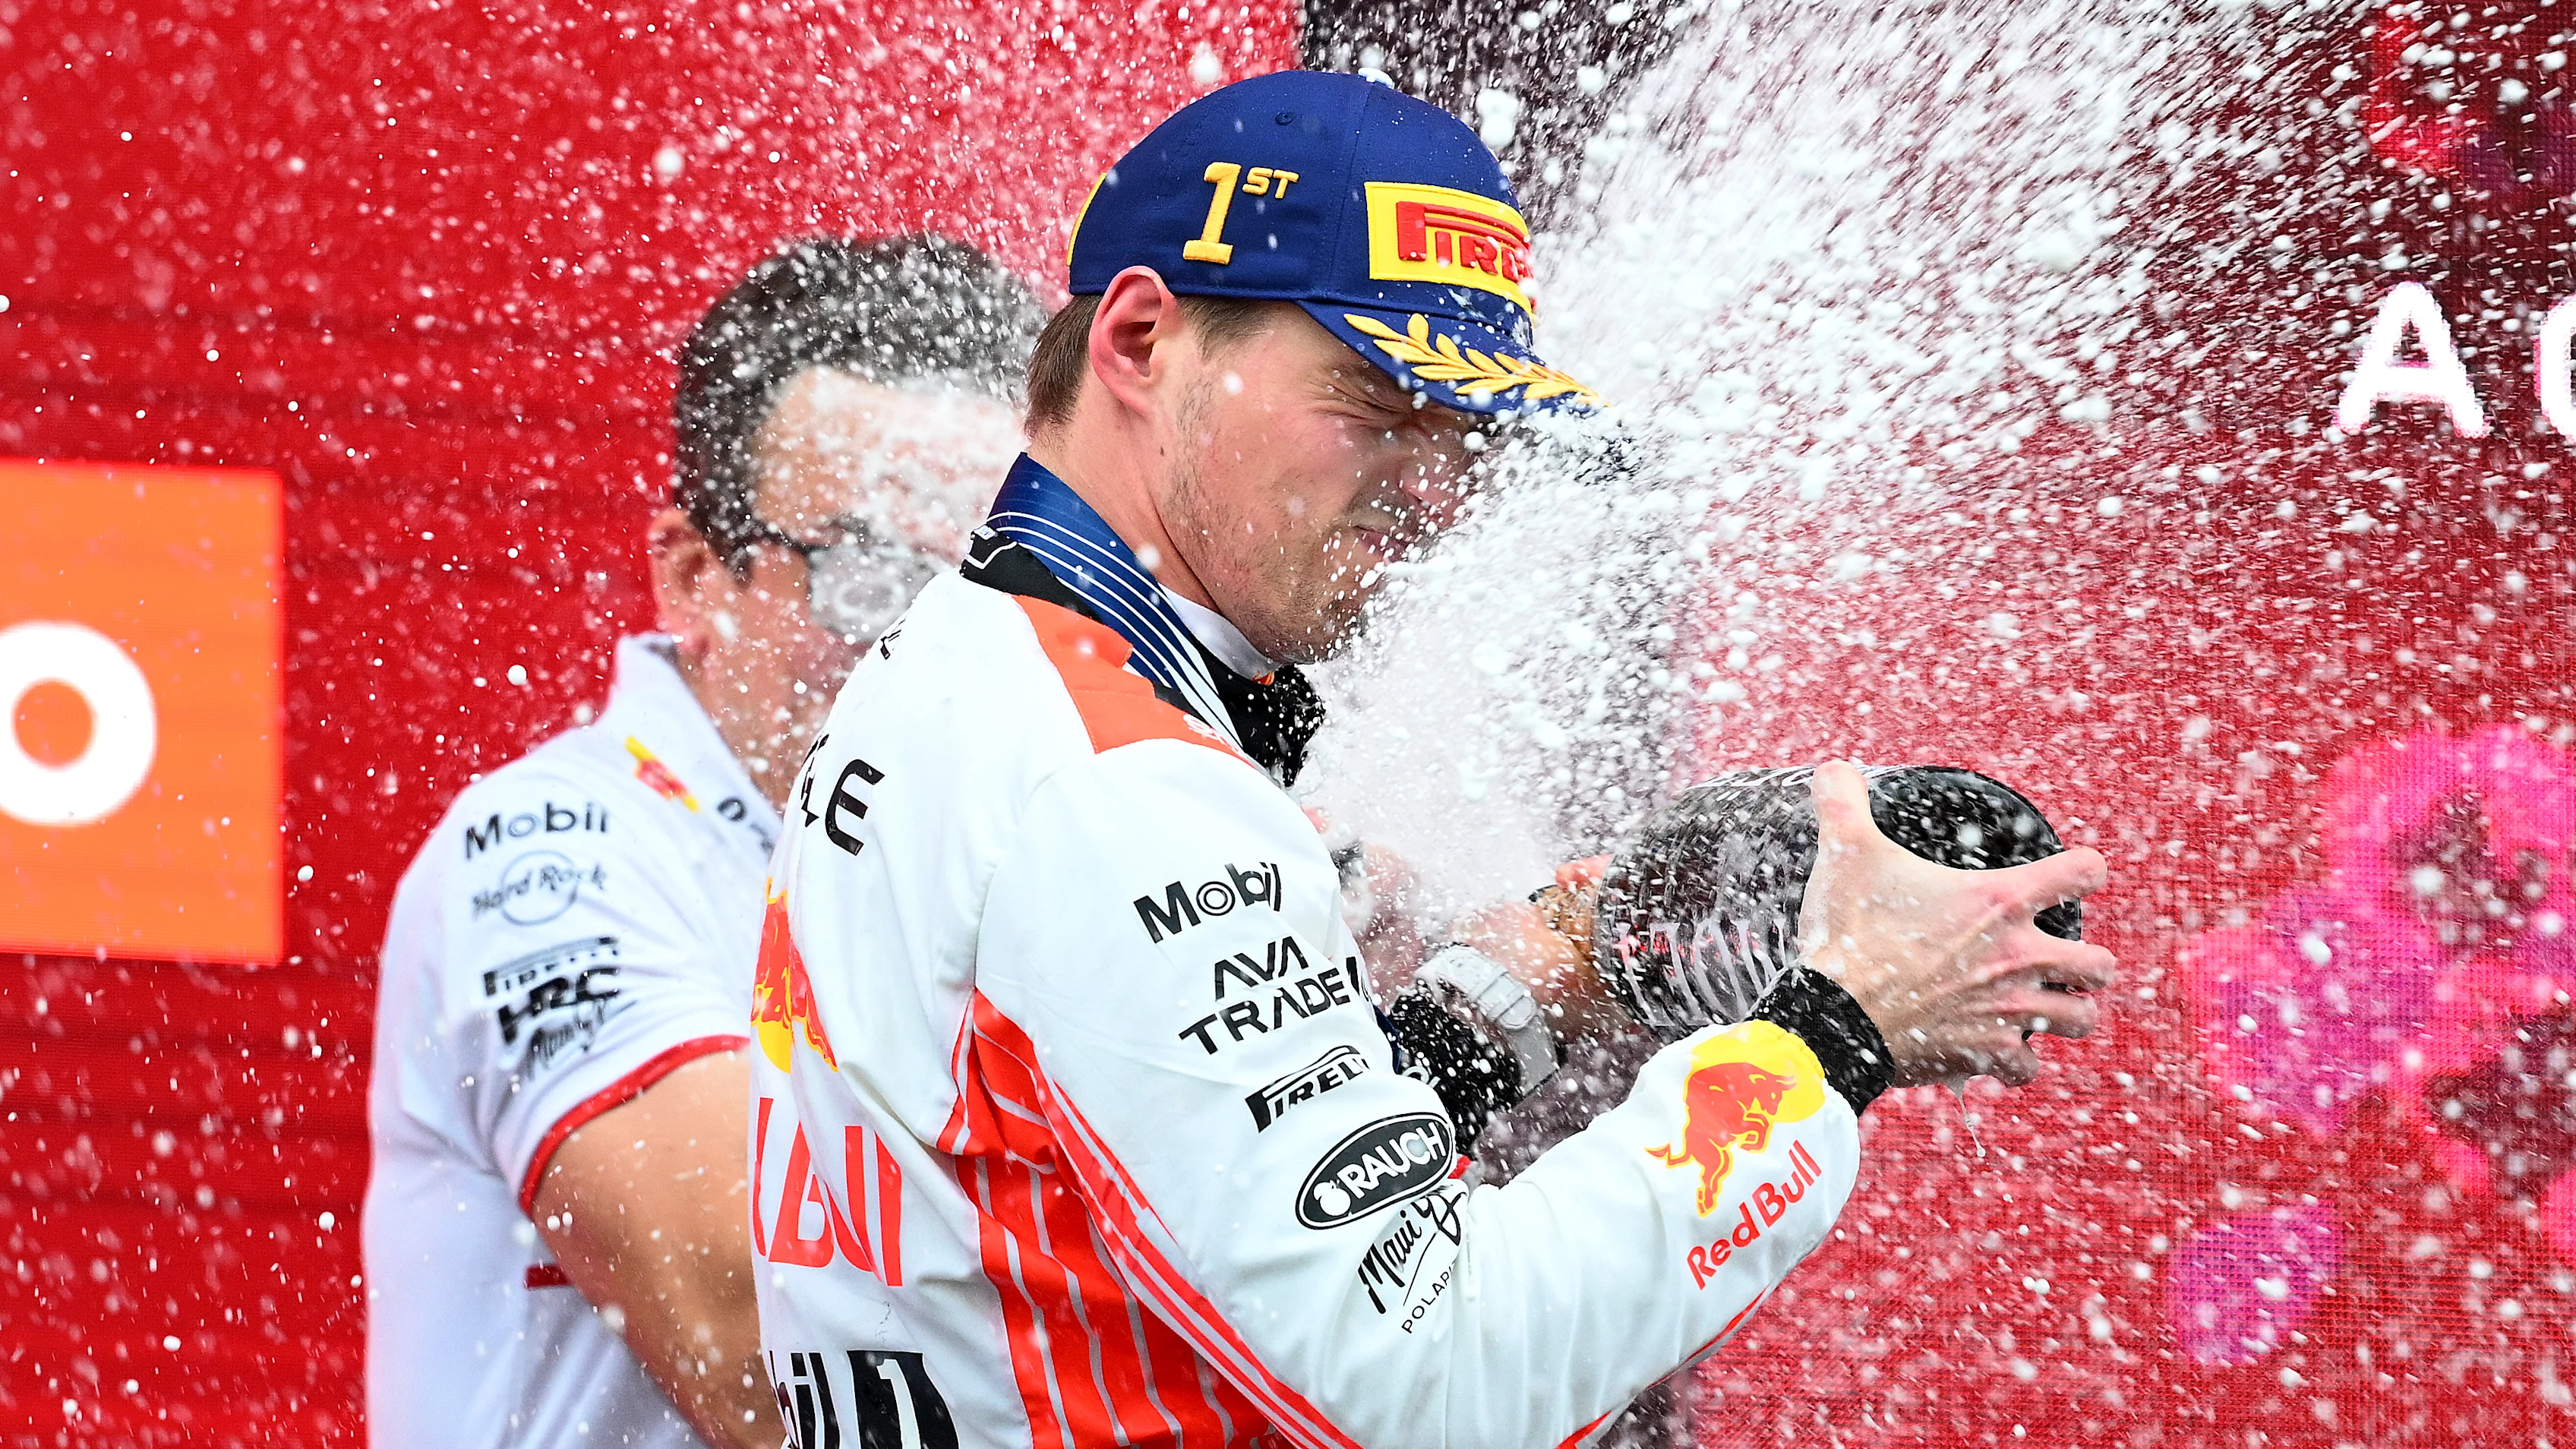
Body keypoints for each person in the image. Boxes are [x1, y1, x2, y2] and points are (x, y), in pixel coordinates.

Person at [749, 71, 2117, 1449]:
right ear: (1143, 339)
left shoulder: (954, 663)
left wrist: (1507, 999)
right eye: (1377, 404)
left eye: (1464, 432)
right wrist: (1833, 1038)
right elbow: (1425, 1386)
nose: (1433, 486)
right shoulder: (1128, 789)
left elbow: (1140, 1207)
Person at [362, 235, 1042, 1449]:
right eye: (874, 578)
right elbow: (762, 1339)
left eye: (993, 582)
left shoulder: (1013, 851)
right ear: (694, 577)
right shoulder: (551, 854)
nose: (942, 651)